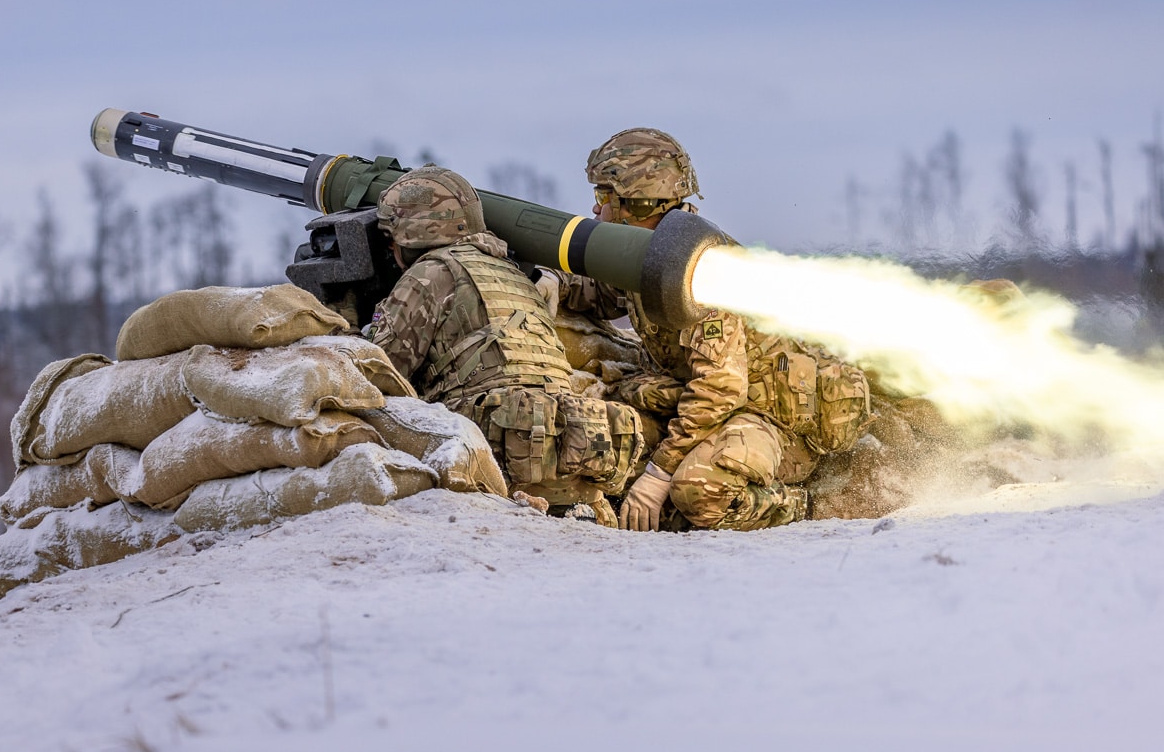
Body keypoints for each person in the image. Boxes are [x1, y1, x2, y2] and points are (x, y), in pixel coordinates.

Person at [551, 128, 872, 532]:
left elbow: (719, 388)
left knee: (699, 491)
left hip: (768, 417)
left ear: (637, 201)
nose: (596, 211)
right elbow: (605, 297)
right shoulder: (651, 252)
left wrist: (659, 473)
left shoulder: (701, 266)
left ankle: (813, 505)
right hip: (714, 409)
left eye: (604, 197)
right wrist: (556, 285)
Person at [364, 164, 643, 525]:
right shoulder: (513, 272)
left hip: (500, 464)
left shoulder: (430, 274)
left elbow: (379, 374)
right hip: (575, 455)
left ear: (406, 235)